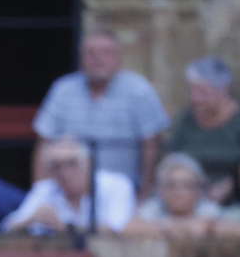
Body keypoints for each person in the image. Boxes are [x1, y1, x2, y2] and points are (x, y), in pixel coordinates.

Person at [33, 30, 170, 192]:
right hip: (67, 193)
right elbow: (44, 144)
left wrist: (144, 195)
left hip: (124, 191)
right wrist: (40, 192)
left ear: (120, 58)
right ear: (80, 58)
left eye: (106, 53)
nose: (98, 59)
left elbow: (152, 147)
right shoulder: (63, 90)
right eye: (90, 53)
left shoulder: (139, 90)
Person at [164, 56, 240, 202]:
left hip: (239, 200)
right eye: (191, 91)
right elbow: (170, 161)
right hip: (189, 201)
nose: (194, 98)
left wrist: (229, 186)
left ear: (223, 91)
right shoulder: (185, 119)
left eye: (202, 92)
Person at [2, 138, 135, 234]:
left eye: (72, 163)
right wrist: (31, 220)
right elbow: (6, 228)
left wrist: (65, 228)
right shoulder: (45, 189)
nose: (64, 172)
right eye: (56, 166)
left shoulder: (116, 185)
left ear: (88, 163)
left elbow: (118, 231)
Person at [122, 153, 221, 238]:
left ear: (198, 190)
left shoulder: (208, 208)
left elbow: (226, 227)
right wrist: (170, 227)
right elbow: (129, 228)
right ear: (161, 189)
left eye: (186, 185)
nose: (179, 192)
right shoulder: (154, 207)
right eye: (171, 185)